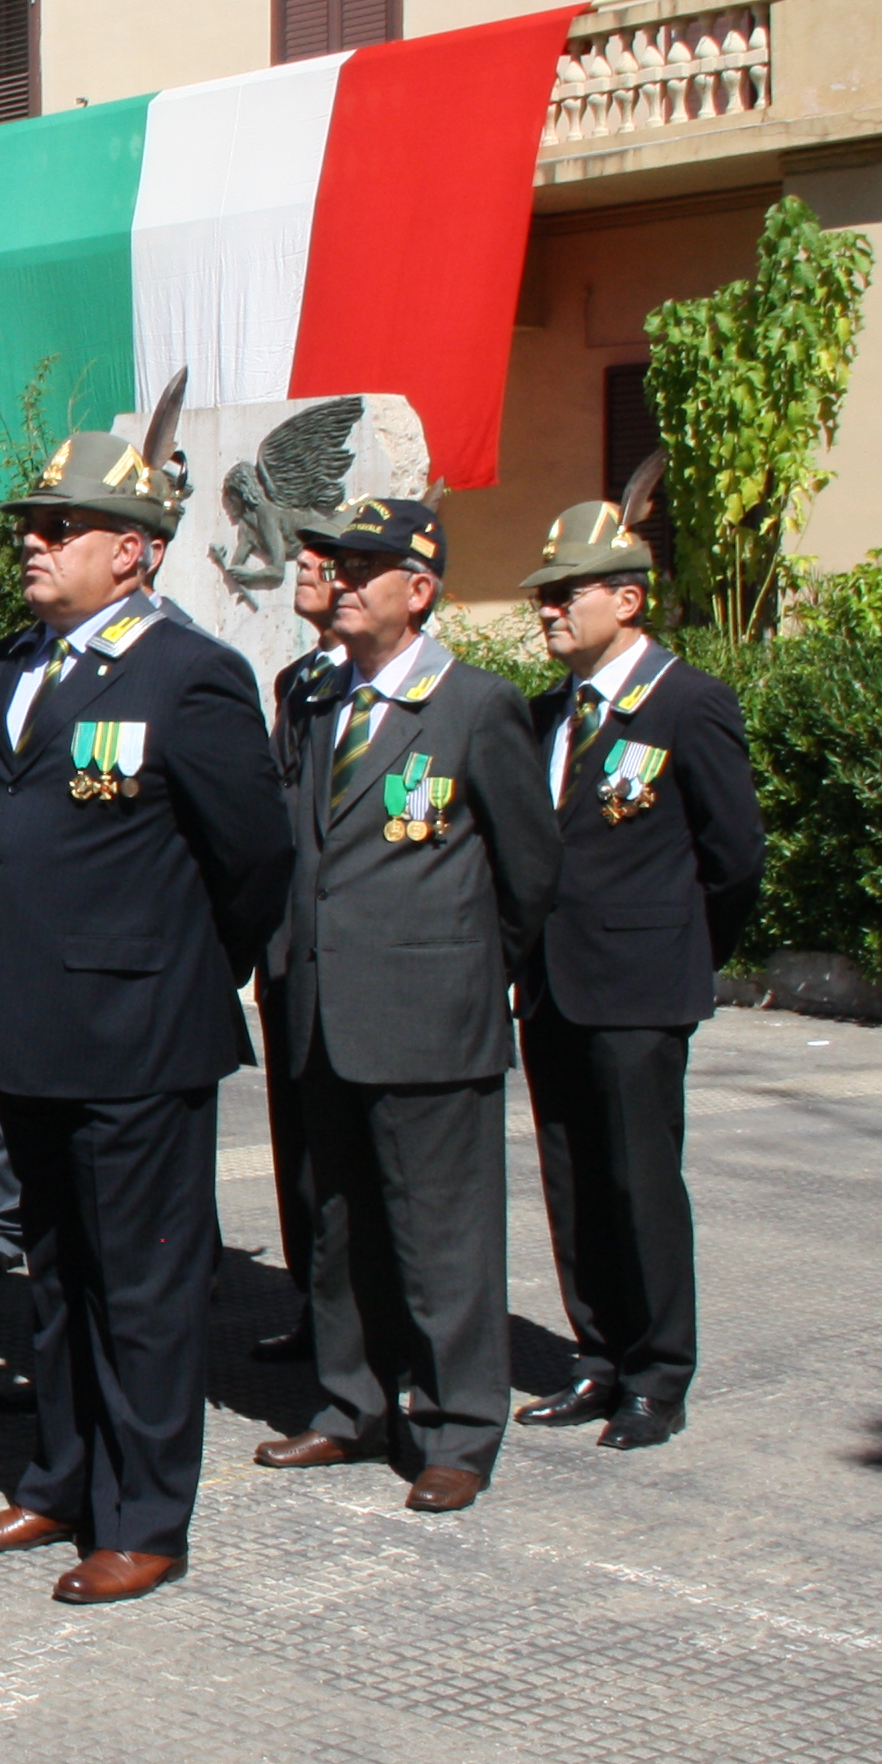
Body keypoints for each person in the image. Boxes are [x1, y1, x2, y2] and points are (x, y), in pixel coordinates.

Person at [0, 404, 292, 1604]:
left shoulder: (190, 677)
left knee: (140, 1287)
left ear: (133, 549)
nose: (33, 544)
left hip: (137, 1036)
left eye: (62, 527)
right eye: (30, 527)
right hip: (28, 1031)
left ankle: (144, 1516)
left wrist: (176, 969)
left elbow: (251, 860)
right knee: (55, 1277)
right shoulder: (4, 676)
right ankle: (60, 1479)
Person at [252, 497, 560, 1514]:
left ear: (418, 591)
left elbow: (529, 875)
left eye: (361, 569)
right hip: (321, 1006)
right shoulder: (311, 697)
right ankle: (349, 1404)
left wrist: (464, 974)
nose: (337, 582)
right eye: (334, 566)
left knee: (442, 1236)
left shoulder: (476, 707)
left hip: (430, 1015)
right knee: (336, 1225)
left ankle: (457, 1426)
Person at [511, 498, 762, 1449]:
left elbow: (734, 858)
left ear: (627, 597)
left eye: (565, 594)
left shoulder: (689, 703)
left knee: (641, 1183)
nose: (547, 612)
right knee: (572, 1179)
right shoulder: (545, 716)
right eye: (543, 597)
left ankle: (659, 1373)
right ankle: (598, 1357)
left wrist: (681, 953)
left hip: (641, 986)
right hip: (554, 985)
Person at [248, 544, 351, 1362]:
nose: (308, 573)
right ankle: (317, 1309)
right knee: (302, 1157)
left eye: (328, 563)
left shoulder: (430, 694)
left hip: (362, 969)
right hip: (290, 956)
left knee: (360, 1172)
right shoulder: (299, 682)